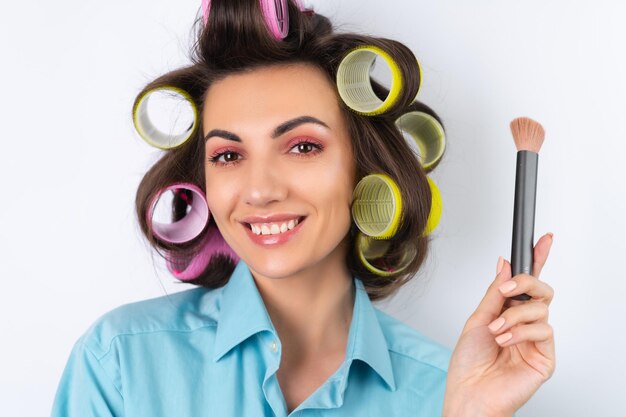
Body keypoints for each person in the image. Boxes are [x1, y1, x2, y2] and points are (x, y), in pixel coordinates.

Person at [51, 1, 555, 416]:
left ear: (364, 169)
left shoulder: (448, 392)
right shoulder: (120, 362)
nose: (259, 190)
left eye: (302, 147)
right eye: (228, 155)